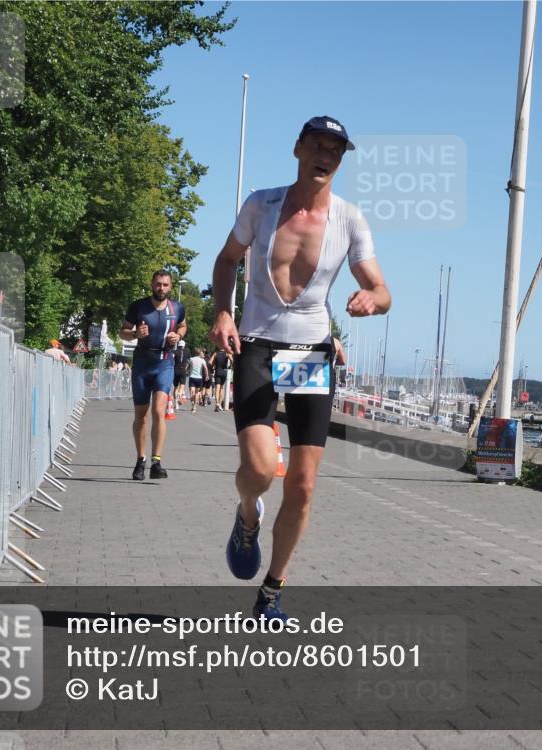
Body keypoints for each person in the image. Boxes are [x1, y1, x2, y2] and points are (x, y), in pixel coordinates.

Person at [209, 116, 390, 621]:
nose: (325, 155)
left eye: (335, 150)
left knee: (304, 482)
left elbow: (383, 289)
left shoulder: (350, 220)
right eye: (317, 145)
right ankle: (248, 516)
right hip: (258, 347)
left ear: (340, 159)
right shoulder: (261, 205)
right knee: (262, 469)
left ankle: (271, 592)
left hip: (309, 354)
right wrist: (224, 311)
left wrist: (371, 300)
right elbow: (226, 260)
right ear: (298, 149)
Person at [120, 270, 187, 480]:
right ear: (152, 284)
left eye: (166, 285)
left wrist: (178, 335)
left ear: (171, 286)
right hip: (142, 363)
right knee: (141, 417)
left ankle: (156, 462)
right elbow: (122, 331)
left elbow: (183, 325)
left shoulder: (177, 307)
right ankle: (140, 460)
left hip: (165, 362)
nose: (161, 288)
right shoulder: (138, 306)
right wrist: (134, 334)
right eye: (158, 284)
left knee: (159, 410)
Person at [187, 348, 208, 413]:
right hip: (199, 378)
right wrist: (207, 375)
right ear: (199, 353)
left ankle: (193, 402)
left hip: (192, 377)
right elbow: (205, 368)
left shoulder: (191, 359)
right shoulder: (202, 360)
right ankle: (194, 407)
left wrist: (186, 371)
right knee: (196, 393)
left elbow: (187, 366)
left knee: (191, 392)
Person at [173, 340, 191, 408]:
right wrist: (186, 368)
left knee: (175, 387)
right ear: (184, 345)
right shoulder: (187, 352)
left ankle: (176, 404)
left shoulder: (175, 351)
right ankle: (180, 395)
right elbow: (189, 361)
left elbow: (172, 360)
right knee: (182, 386)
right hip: (183, 370)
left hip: (176, 370)